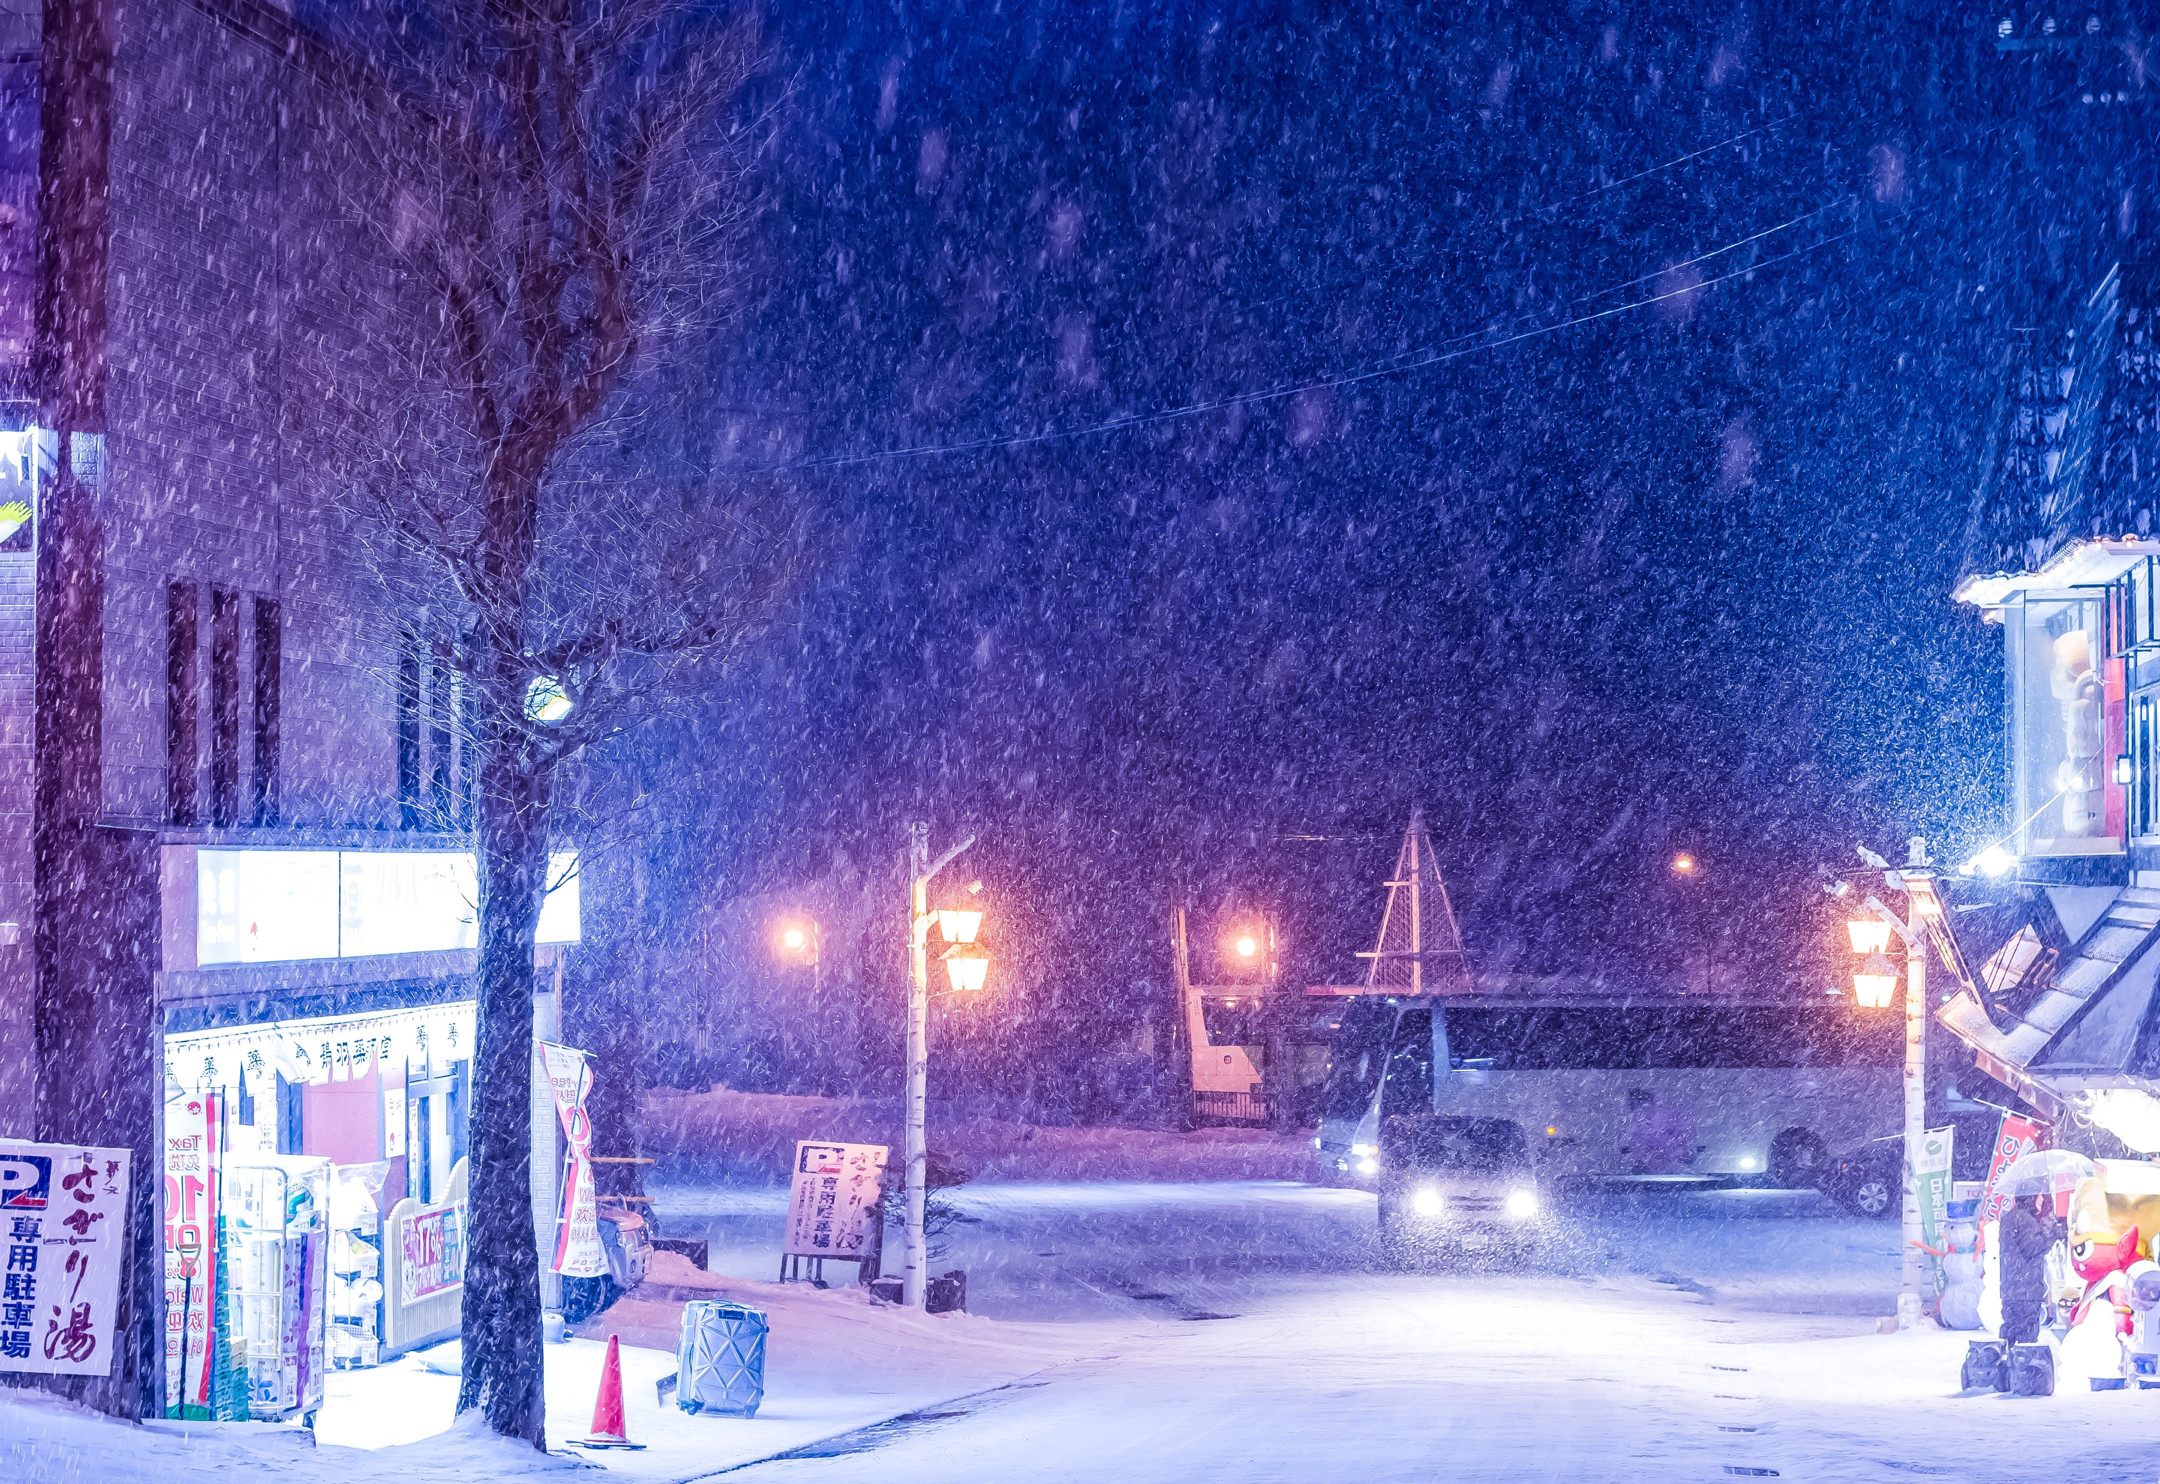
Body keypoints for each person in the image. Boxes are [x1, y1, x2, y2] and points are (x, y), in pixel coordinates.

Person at [2000, 1192, 2060, 1345]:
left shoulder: (2008, 1218)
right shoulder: (2026, 1220)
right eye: (2037, 1197)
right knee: (2027, 1330)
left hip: (2010, 1284)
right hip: (2027, 1285)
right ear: (2030, 1197)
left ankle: (2006, 1358)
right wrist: (2052, 1235)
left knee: (2011, 1325)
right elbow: (2034, 1249)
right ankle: (2023, 1363)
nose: (2039, 1201)